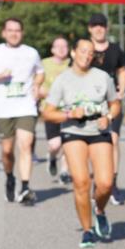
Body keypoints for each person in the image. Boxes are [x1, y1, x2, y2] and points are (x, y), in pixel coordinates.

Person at [41, 39, 120, 248]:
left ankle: (99, 211)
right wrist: (69, 113)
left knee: (105, 183)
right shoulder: (62, 80)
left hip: (99, 130)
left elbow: (115, 104)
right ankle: (86, 231)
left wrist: (109, 117)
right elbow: (47, 113)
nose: (87, 55)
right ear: (74, 53)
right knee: (81, 182)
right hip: (73, 131)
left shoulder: (103, 78)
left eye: (91, 52)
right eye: (83, 51)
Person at [0, 17, 44, 204]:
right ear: (4, 33)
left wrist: (37, 85)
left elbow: (40, 71)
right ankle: (10, 177)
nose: (14, 33)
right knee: (7, 151)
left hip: (26, 106)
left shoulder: (31, 53)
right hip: (3, 108)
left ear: (22, 33)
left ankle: (25, 187)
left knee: (25, 145)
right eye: (10, 30)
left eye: (17, 30)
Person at [87, 13, 125, 204]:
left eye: (102, 25)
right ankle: (98, 180)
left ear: (106, 28)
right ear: (90, 29)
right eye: (95, 25)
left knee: (113, 139)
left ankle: (113, 182)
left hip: (111, 102)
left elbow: (122, 70)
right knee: (93, 143)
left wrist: (122, 89)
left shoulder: (115, 49)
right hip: (89, 103)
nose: (99, 28)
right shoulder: (84, 49)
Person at [39, 37, 72, 184]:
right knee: (55, 144)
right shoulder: (44, 64)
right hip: (50, 110)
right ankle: (52, 157)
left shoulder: (72, 64)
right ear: (52, 49)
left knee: (68, 143)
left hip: (69, 110)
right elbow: (37, 86)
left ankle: (64, 171)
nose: (61, 49)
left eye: (64, 46)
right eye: (58, 46)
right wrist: (48, 92)